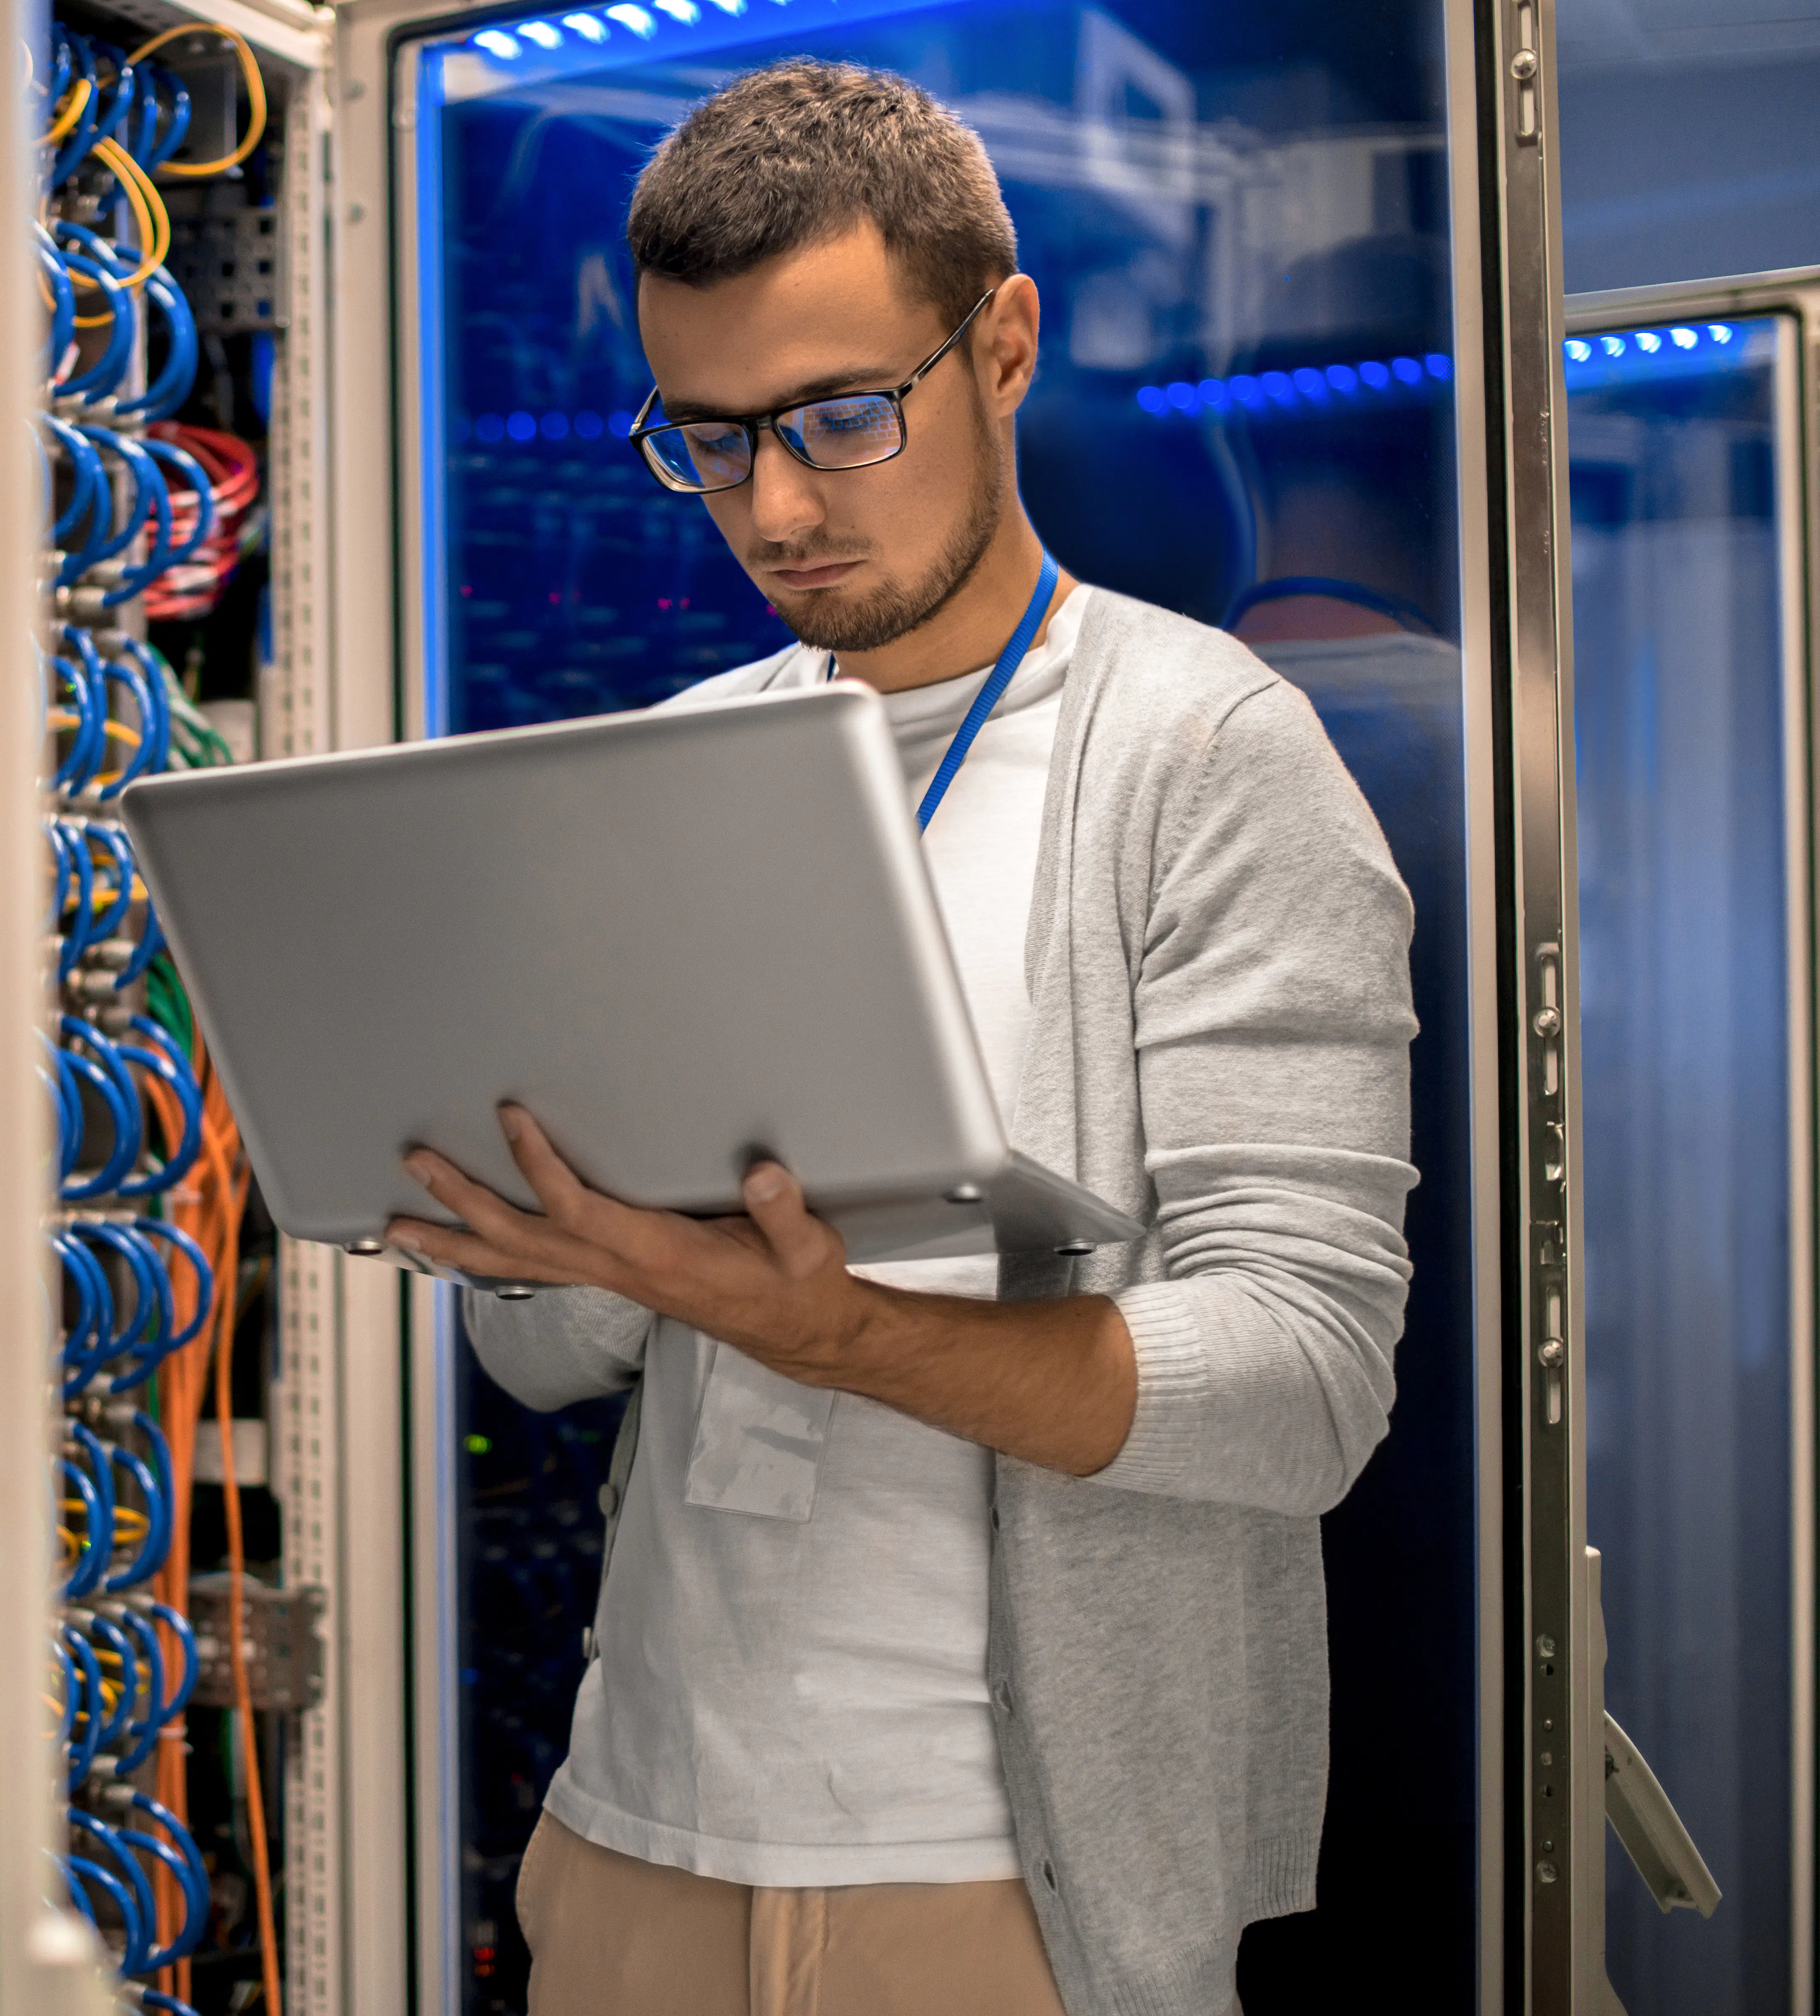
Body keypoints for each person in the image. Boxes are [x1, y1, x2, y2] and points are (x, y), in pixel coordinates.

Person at [385, 60, 1416, 2016]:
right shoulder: (676, 771)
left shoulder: (1201, 757)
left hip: (1005, 1892)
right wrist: (545, 1243)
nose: (773, 507)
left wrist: (820, 1321)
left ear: (1001, 343)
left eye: (842, 418)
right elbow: (532, 1362)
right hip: (634, 1845)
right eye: (706, 442)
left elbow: (1302, 1382)